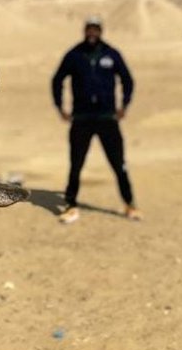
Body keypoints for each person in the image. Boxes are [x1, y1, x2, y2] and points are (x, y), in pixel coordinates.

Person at [51, 17, 140, 223]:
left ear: (101, 31)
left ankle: (130, 204)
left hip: (107, 117)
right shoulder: (74, 55)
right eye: (89, 29)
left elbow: (127, 80)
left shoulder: (111, 53)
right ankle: (71, 205)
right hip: (81, 118)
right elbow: (57, 80)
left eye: (95, 29)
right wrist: (60, 107)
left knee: (119, 163)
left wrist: (124, 105)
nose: (92, 33)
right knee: (76, 164)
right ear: (84, 31)